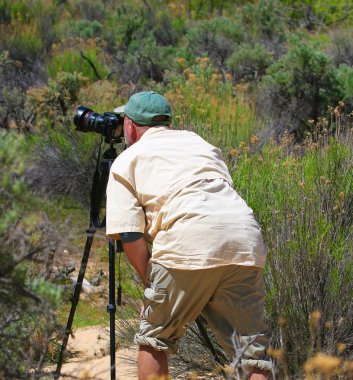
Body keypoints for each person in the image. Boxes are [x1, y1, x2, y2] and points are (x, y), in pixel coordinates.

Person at [106, 91, 272, 379]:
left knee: (153, 339)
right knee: (252, 353)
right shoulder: (201, 144)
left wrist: (153, 286)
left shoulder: (127, 158)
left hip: (187, 240)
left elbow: (131, 235)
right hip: (245, 238)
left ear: (131, 125)